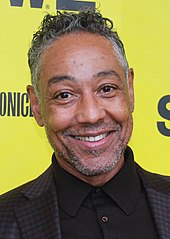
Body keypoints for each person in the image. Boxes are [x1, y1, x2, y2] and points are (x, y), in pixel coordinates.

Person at [0, 9, 169, 239]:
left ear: (129, 90)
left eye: (106, 89)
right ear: (37, 105)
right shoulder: (5, 219)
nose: (90, 115)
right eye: (64, 95)